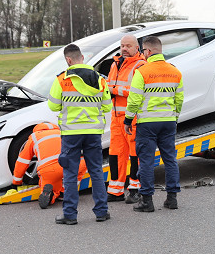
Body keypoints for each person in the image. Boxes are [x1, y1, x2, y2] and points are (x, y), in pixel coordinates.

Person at [48, 43, 112, 225]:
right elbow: (107, 105)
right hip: (93, 132)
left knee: (70, 173)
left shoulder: (61, 80)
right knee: (96, 171)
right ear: (82, 57)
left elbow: (53, 105)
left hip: (71, 133)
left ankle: (70, 215)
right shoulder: (99, 79)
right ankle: (101, 212)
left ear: (68, 60)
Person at [125, 35, 184, 212]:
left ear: (148, 51)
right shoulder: (175, 71)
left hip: (148, 123)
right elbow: (179, 99)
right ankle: (172, 199)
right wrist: (174, 117)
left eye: (143, 51)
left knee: (147, 162)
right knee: (170, 159)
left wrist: (128, 119)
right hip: (168, 122)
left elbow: (134, 99)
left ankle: (147, 201)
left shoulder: (142, 72)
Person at [9, 121, 86, 209]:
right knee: (81, 164)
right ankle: (65, 192)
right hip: (73, 165)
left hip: (50, 169)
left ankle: (51, 196)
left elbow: (22, 161)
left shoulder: (34, 137)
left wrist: (16, 183)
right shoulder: (62, 132)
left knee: (51, 186)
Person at [107, 34, 146, 204]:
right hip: (116, 118)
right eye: (122, 45)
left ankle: (135, 189)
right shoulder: (115, 64)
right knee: (116, 154)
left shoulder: (141, 65)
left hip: (133, 118)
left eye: (128, 46)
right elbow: (108, 85)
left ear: (137, 48)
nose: (124, 49)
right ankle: (115, 191)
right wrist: (112, 89)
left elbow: (137, 91)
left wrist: (114, 89)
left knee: (134, 154)